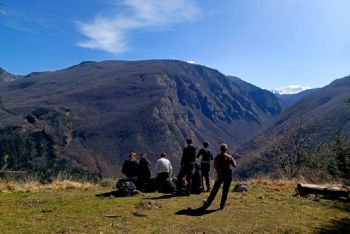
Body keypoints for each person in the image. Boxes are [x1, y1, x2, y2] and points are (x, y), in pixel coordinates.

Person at [202, 144, 236, 210]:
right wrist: (231, 158)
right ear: (226, 149)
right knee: (225, 190)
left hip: (220, 174)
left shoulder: (217, 157)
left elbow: (215, 166)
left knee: (215, 189)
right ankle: (222, 206)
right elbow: (234, 165)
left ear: (220, 149)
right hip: (228, 175)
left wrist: (218, 172)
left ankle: (208, 202)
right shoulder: (229, 157)